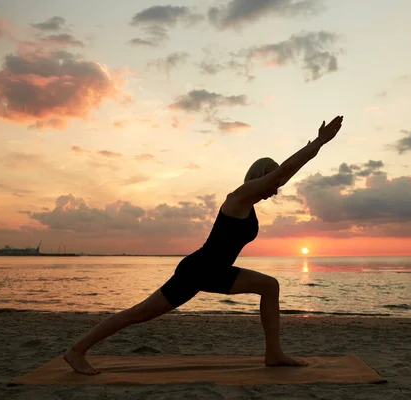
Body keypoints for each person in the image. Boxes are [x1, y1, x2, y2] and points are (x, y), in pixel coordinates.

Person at [64, 115, 344, 375]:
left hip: (217, 271)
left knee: (270, 286)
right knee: (139, 314)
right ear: (261, 178)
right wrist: (319, 142)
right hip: (197, 270)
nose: (276, 190)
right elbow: (285, 170)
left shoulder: (250, 203)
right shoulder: (240, 196)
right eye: (273, 184)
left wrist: (314, 148)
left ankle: (274, 353)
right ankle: (76, 350)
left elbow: (283, 174)